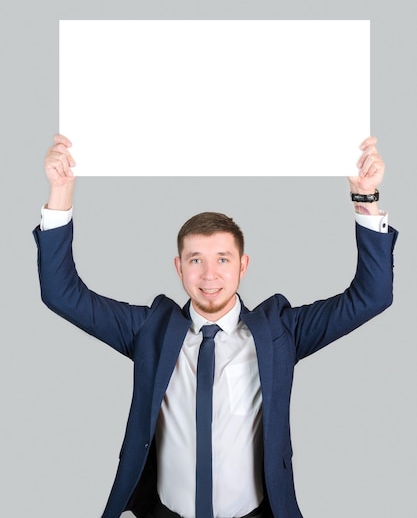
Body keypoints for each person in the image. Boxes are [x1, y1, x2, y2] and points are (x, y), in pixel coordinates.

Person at [33, 134, 398, 518]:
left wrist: (365, 199)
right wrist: (60, 192)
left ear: (242, 266)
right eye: (195, 260)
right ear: (178, 267)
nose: (209, 274)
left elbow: (371, 296)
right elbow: (62, 294)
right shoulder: (149, 331)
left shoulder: (280, 333)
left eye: (223, 259)